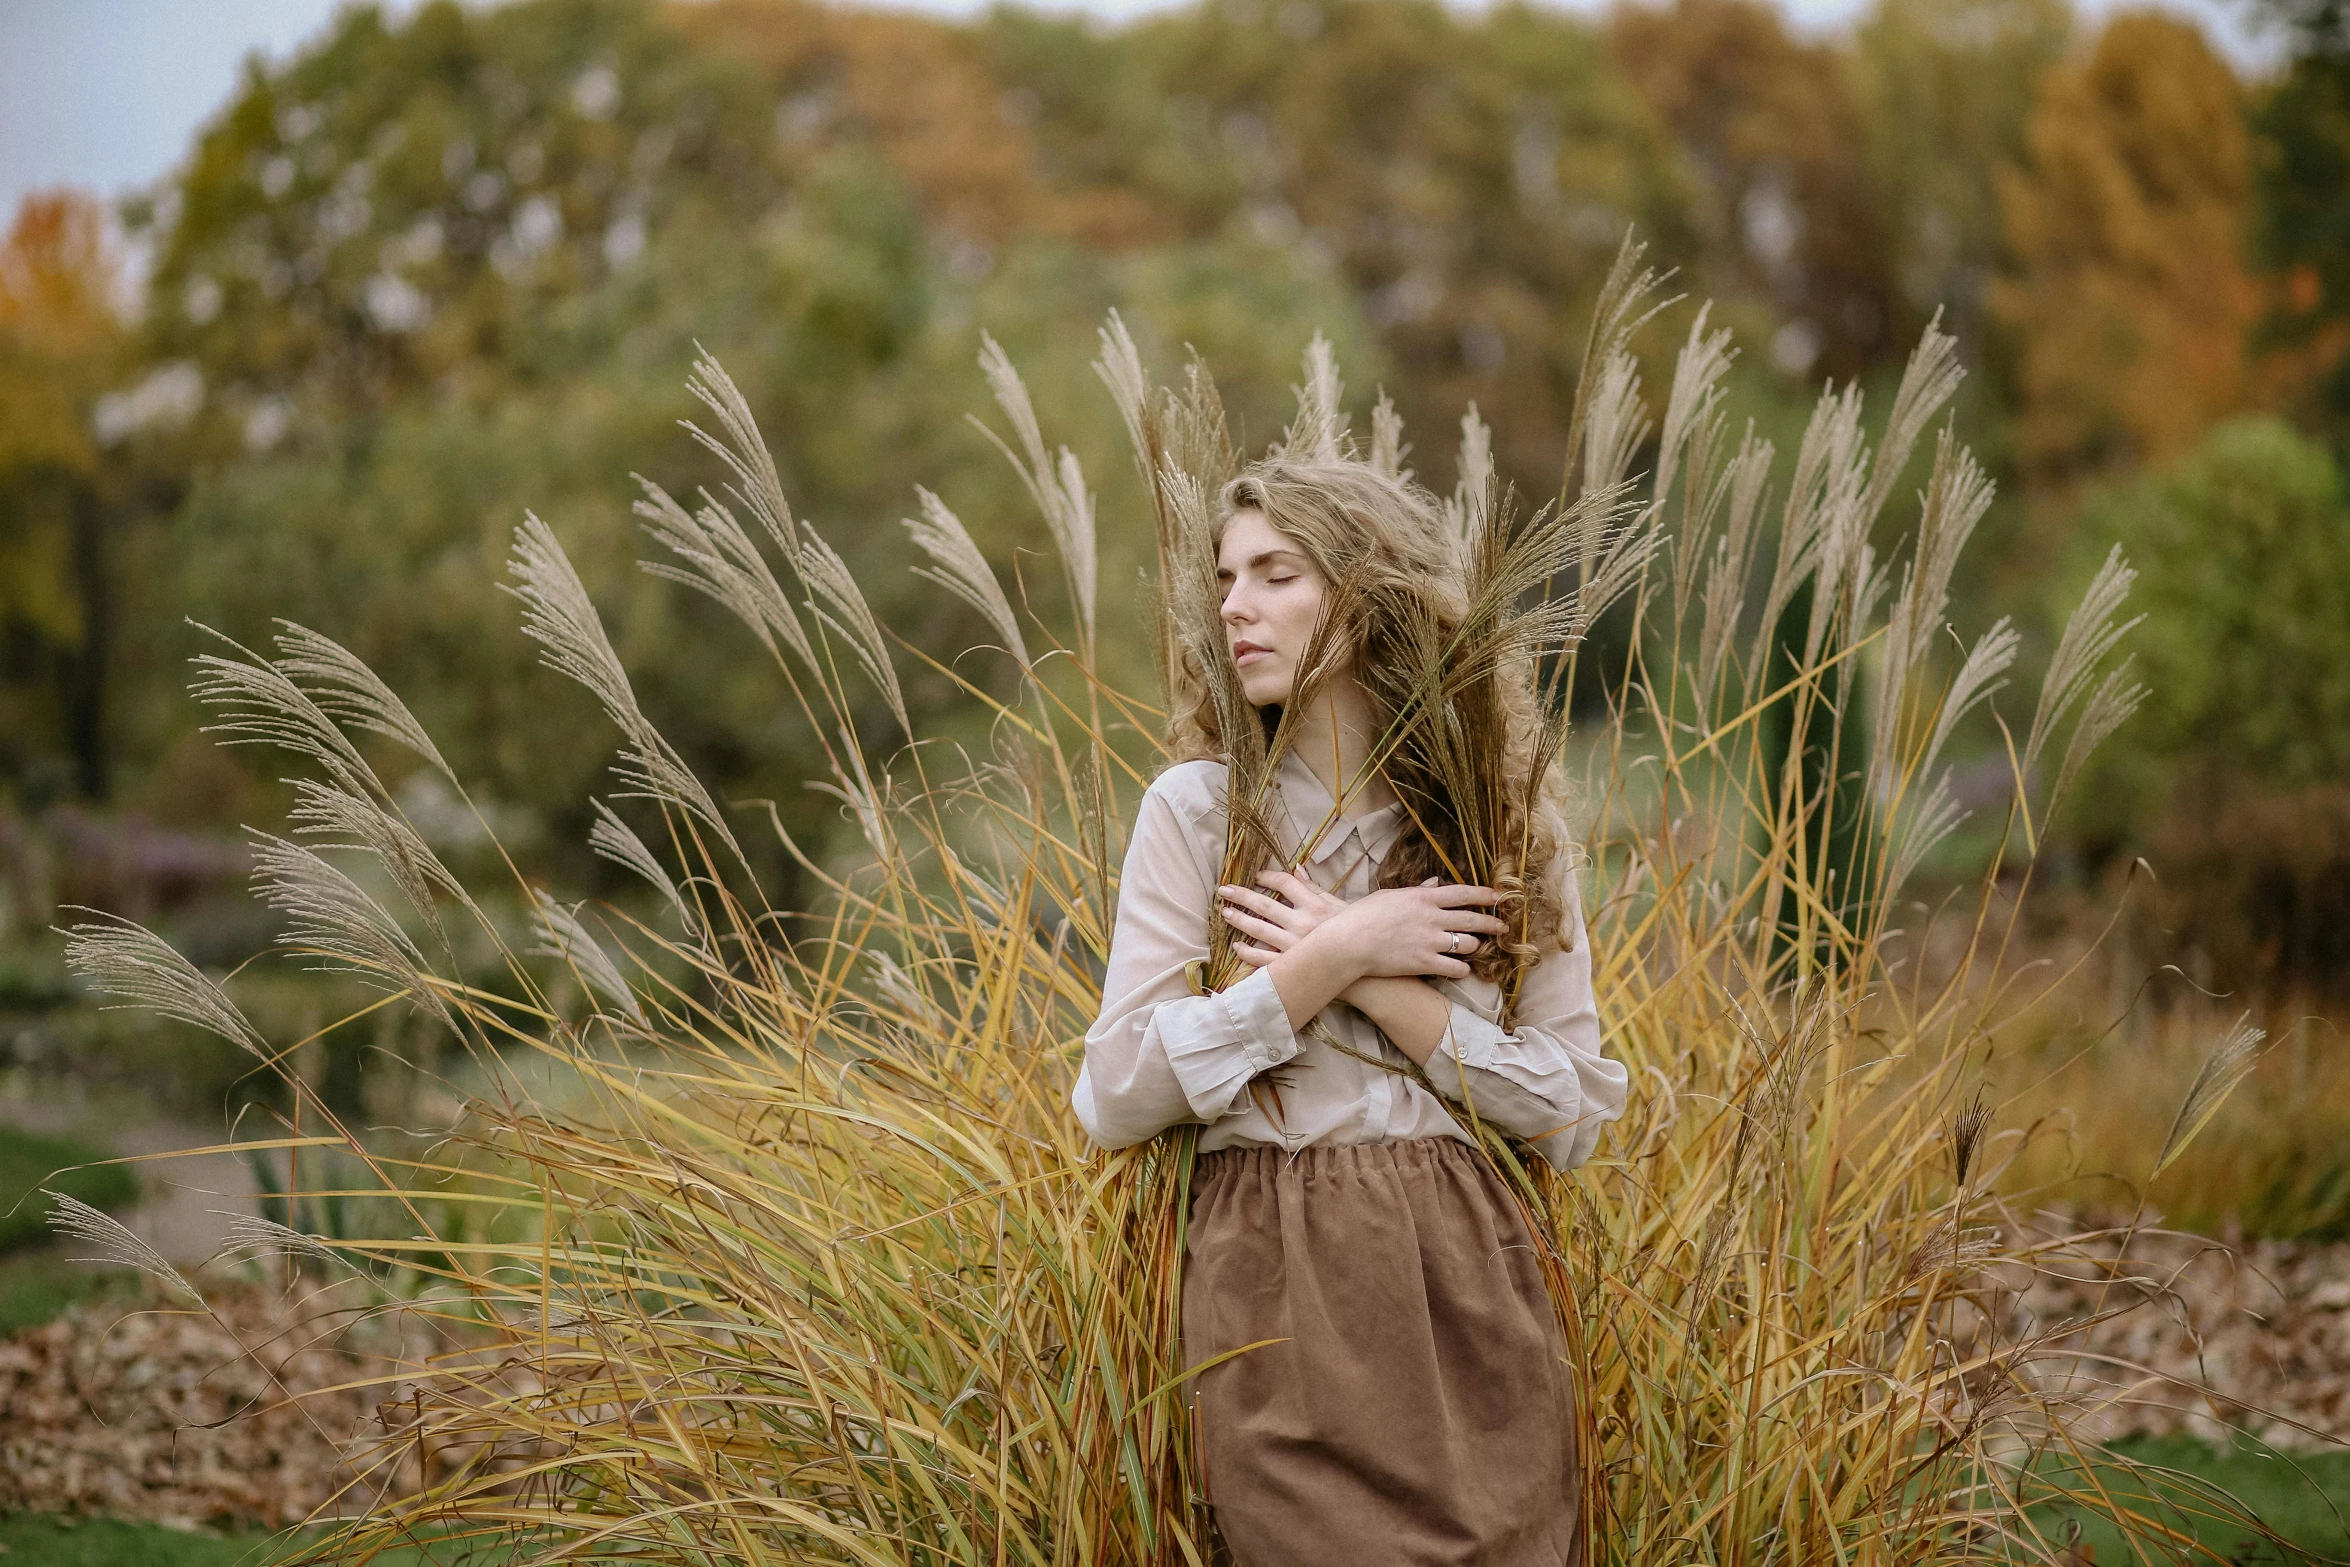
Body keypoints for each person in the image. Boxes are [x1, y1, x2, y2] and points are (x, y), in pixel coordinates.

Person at [1072, 456, 1628, 1567]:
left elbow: (1572, 1114)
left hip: (1473, 1274)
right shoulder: (1197, 811)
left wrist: (1370, 973)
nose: (1233, 604)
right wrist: (1324, 960)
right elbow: (1115, 1094)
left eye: (1276, 572)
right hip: (1274, 1275)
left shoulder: (1503, 825)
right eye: (1228, 576)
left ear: (1370, 594)